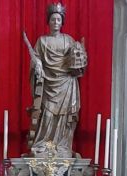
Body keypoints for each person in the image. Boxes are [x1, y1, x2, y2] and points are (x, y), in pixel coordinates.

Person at [24, 3, 87, 157]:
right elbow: (36, 59)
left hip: (66, 83)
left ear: (62, 21)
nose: (56, 22)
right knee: (47, 115)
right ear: (48, 21)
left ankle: (62, 146)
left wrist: (80, 56)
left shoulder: (69, 40)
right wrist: (37, 65)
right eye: (53, 19)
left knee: (65, 117)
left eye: (59, 19)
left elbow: (77, 61)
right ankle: (44, 145)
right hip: (48, 84)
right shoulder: (42, 41)